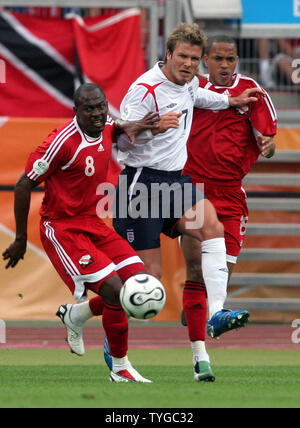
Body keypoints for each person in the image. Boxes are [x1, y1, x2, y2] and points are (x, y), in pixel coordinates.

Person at [112, 23, 263, 382]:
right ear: (167, 55)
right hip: (140, 185)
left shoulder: (190, 83)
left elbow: (201, 97)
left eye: (195, 59)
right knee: (148, 282)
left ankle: (216, 313)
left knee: (212, 227)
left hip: (177, 181)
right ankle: (89, 315)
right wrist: (151, 128)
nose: (189, 64)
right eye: (183, 57)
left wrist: (231, 101)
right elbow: (119, 142)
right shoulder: (143, 89)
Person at [2, 83, 161, 383]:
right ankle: (120, 368)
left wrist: (144, 125)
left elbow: (116, 127)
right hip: (61, 228)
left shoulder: (106, 124)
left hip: (92, 222)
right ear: (76, 111)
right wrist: (21, 239)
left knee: (138, 281)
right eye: (89, 108)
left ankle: (76, 315)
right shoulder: (60, 142)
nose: (97, 113)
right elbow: (24, 185)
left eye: (101, 105)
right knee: (115, 292)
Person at [181, 35, 277, 347]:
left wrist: (268, 146)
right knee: (196, 269)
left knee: (222, 272)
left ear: (237, 61)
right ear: (206, 59)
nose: (225, 65)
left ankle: (205, 312)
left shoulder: (252, 92)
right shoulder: (191, 87)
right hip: (193, 189)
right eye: (218, 59)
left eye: (231, 59)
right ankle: (203, 321)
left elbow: (269, 142)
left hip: (232, 193)